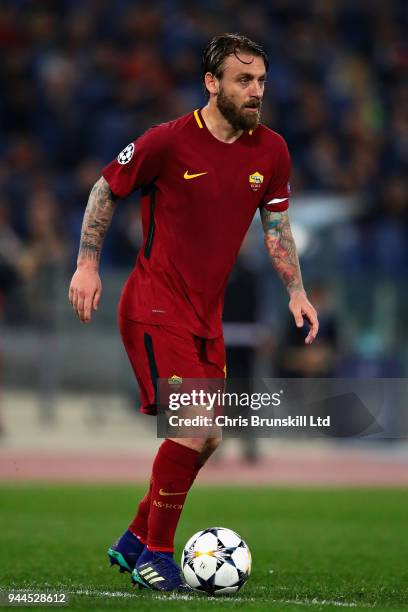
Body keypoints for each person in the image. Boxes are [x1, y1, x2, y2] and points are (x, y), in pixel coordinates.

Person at [69, 33, 319, 592]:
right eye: (243, 81)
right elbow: (104, 191)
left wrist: (295, 292)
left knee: (207, 438)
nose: (256, 92)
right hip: (154, 305)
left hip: (206, 317)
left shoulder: (272, 151)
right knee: (192, 427)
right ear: (212, 83)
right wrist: (87, 264)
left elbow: (276, 227)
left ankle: (135, 537)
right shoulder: (168, 141)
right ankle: (157, 556)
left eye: (261, 82)